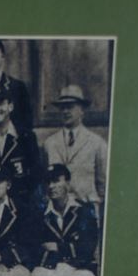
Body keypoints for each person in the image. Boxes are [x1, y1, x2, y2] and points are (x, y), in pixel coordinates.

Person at [26, 164, 100, 276]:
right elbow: (33, 248)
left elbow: (87, 249)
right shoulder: (40, 213)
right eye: (48, 182)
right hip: (50, 270)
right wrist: (66, 249)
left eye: (55, 181)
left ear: (68, 182)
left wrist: (58, 247)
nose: (51, 187)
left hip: (77, 270)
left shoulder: (84, 211)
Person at [42, 85, 107, 215]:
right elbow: (45, 181)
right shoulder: (50, 143)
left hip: (87, 211)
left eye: (70, 106)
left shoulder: (96, 143)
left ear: (82, 110)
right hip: (58, 212)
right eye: (62, 107)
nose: (65, 111)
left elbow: (103, 184)